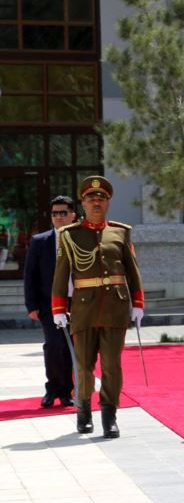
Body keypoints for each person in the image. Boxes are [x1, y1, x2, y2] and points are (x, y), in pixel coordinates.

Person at [51, 176, 145, 439]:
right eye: (91, 198)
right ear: (83, 203)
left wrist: (138, 303)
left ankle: (109, 414)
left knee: (112, 365)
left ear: (108, 203)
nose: (96, 202)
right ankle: (83, 411)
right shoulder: (69, 235)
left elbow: (133, 272)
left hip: (115, 307)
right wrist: (58, 307)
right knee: (83, 365)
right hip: (83, 310)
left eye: (101, 198)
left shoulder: (121, 232)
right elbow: (61, 274)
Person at [24, 195, 78, 408]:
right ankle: (52, 389)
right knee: (54, 346)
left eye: (63, 213)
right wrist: (32, 305)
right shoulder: (40, 241)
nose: (58, 217)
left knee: (71, 348)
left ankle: (67, 391)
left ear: (73, 215)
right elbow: (30, 275)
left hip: (78, 303)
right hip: (49, 304)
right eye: (54, 213)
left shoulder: (81, 239)